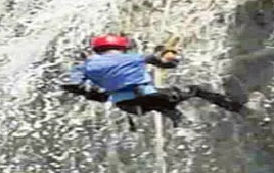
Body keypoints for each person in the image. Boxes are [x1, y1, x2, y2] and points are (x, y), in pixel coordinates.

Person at [60, 34, 252, 130]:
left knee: (165, 106)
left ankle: (183, 125)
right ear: (122, 47)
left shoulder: (85, 66)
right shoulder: (134, 57)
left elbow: (75, 86)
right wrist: (170, 53)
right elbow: (168, 64)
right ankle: (242, 109)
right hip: (151, 96)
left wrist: (99, 94)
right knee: (196, 90)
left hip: (126, 105)